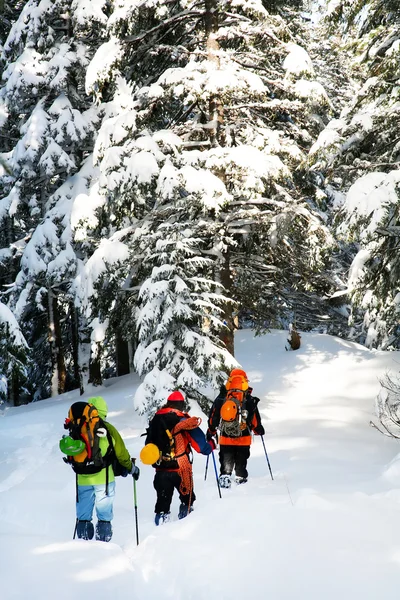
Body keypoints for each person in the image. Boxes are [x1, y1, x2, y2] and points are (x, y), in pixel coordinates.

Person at [64, 396, 140, 542]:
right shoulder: (107, 428)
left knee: (83, 516)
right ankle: (103, 545)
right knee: (104, 514)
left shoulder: (78, 426)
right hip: (104, 478)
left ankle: (82, 543)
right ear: (104, 412)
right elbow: (121, 453)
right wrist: (131, 468)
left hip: (82, 477)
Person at [144, 390, 215, 525]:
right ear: (181, 405)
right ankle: (185, 524)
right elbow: (202, 447)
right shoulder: (184, 421)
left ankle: (159, 529)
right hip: (180, 470)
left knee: (162, 505)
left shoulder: (155, 420)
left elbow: (148, 444)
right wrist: (210, 445)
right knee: (187, 501)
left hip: (161, 470)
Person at [207, 369, 264, 488]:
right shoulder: (248, 398)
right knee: (241, 458)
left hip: (225, 436)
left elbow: (214, 415)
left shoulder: (223, 397)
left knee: (225, 457)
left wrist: (211, 430)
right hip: (244, 436)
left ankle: (225, 476)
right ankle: (240, 476)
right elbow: (254, 418)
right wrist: (258, 429)